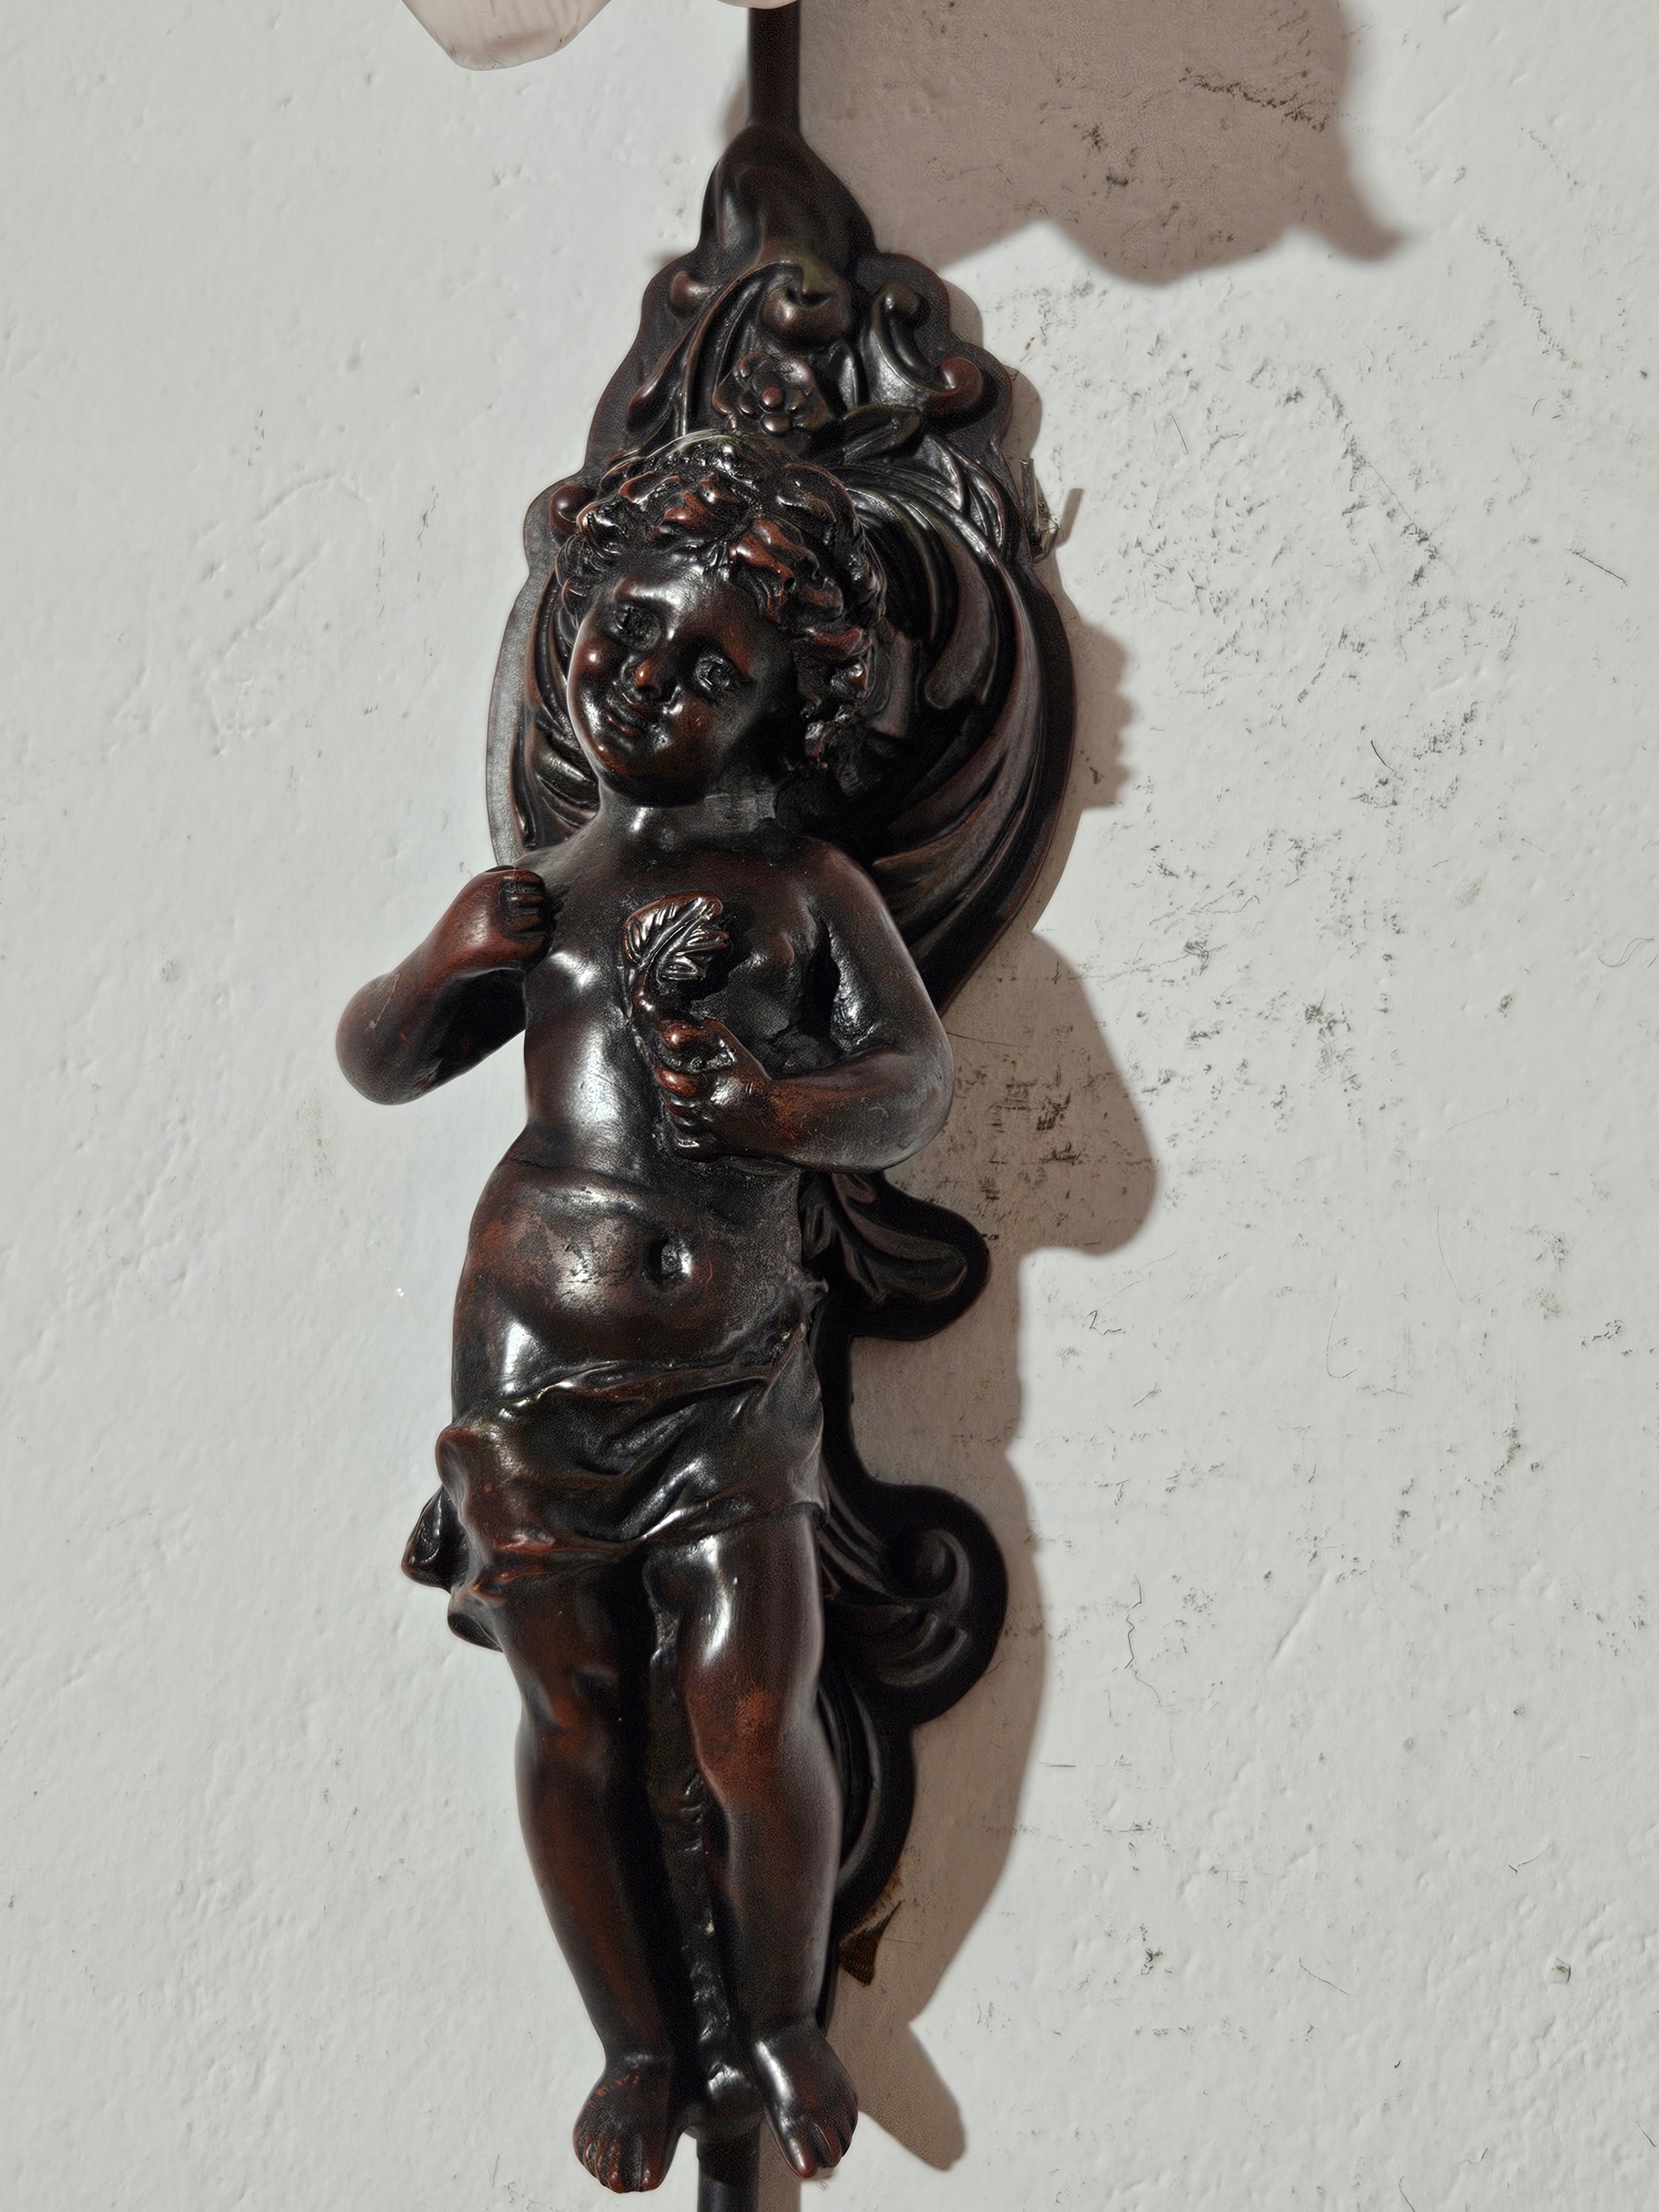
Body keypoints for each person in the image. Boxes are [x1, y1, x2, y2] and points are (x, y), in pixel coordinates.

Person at [338, 435, 952, 2192]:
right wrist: (443, 962)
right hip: (531, 1366)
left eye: (706, 669)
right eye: (624, 632)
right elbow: (383, 1063)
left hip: (731, 1372)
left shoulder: (808, 892)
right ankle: (631, 2039)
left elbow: (911, 1084)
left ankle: (779, 2015)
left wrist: (780, 1107)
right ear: (573, 620)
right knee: (577, 1711)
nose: (644, 680)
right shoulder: (542, 892)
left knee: (756, 1712)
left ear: (780, 709)